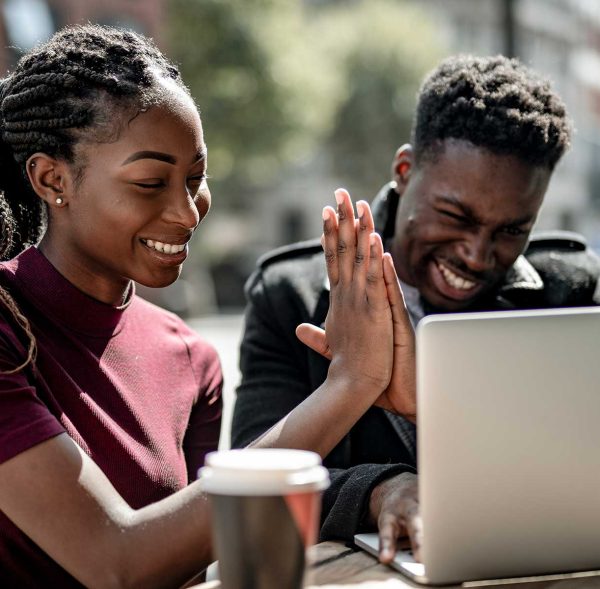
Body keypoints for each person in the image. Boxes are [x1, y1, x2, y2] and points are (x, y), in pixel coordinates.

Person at [0, 25, 407, 587]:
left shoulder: (192, 360)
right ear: (51, 178)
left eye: (196, 178)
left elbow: (183, 566)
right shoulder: (5, 327)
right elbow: (116, 563)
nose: (188, 214)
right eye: (150, 182)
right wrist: (349, 384)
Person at [231, 55, 600, 562]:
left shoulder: (572, 291)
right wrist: (378, 490)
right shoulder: (289, 296)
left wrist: (434, 404)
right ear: (405, 171)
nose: (476, 254)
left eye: (512, 230)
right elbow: (252, 479)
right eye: (455, 216)